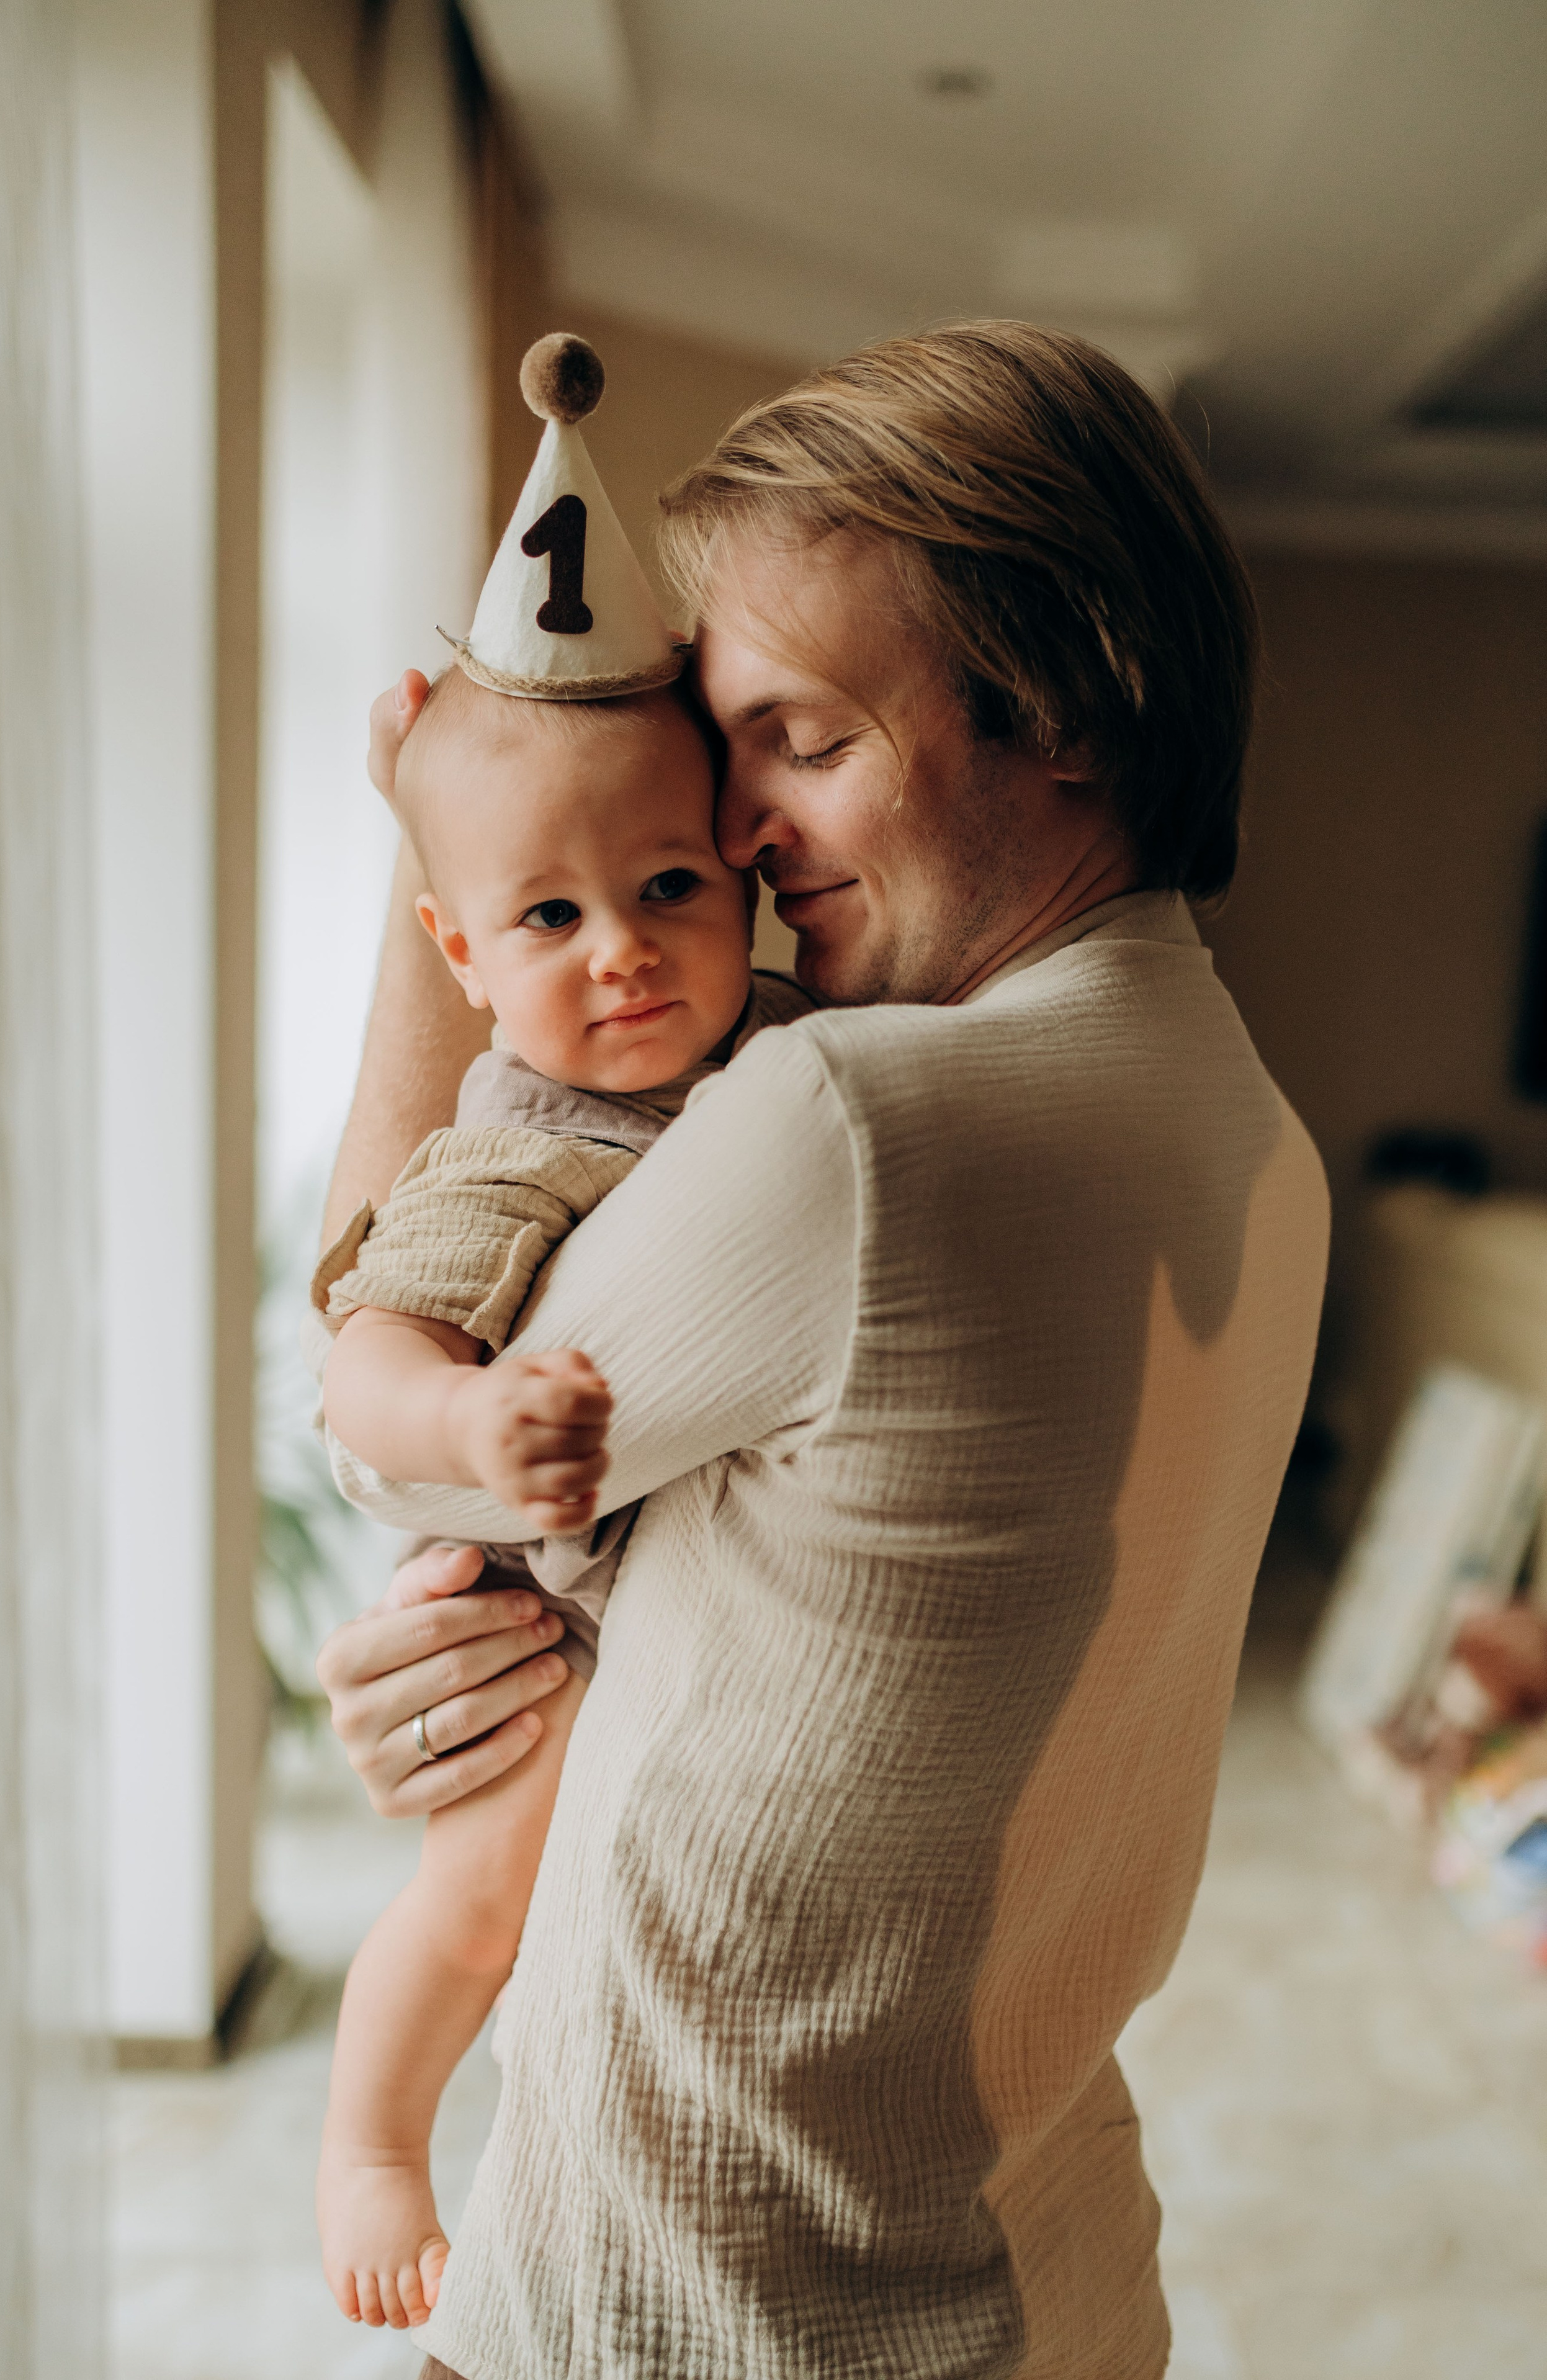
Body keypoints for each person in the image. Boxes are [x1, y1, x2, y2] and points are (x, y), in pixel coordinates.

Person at [315, 319, 1331, 2379]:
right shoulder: (1261, 1139)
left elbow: (398, 1419)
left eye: (802, 739)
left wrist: (440, 848)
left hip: (704, 2299)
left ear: (1069, 704)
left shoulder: (859, 1126)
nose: (743, 826)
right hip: (1039, 2260)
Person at [310, 339, 812, 2328]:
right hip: (541, 1618)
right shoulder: (516, 1137)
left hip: (692, 1614)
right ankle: (372, 2138)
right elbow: (367, 1348)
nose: (622, 951)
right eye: (548, 919)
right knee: (484, 1891)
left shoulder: (795, 1051)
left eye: (669, 884)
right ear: (457, 950)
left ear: (746, 875)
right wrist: (469, 1419)